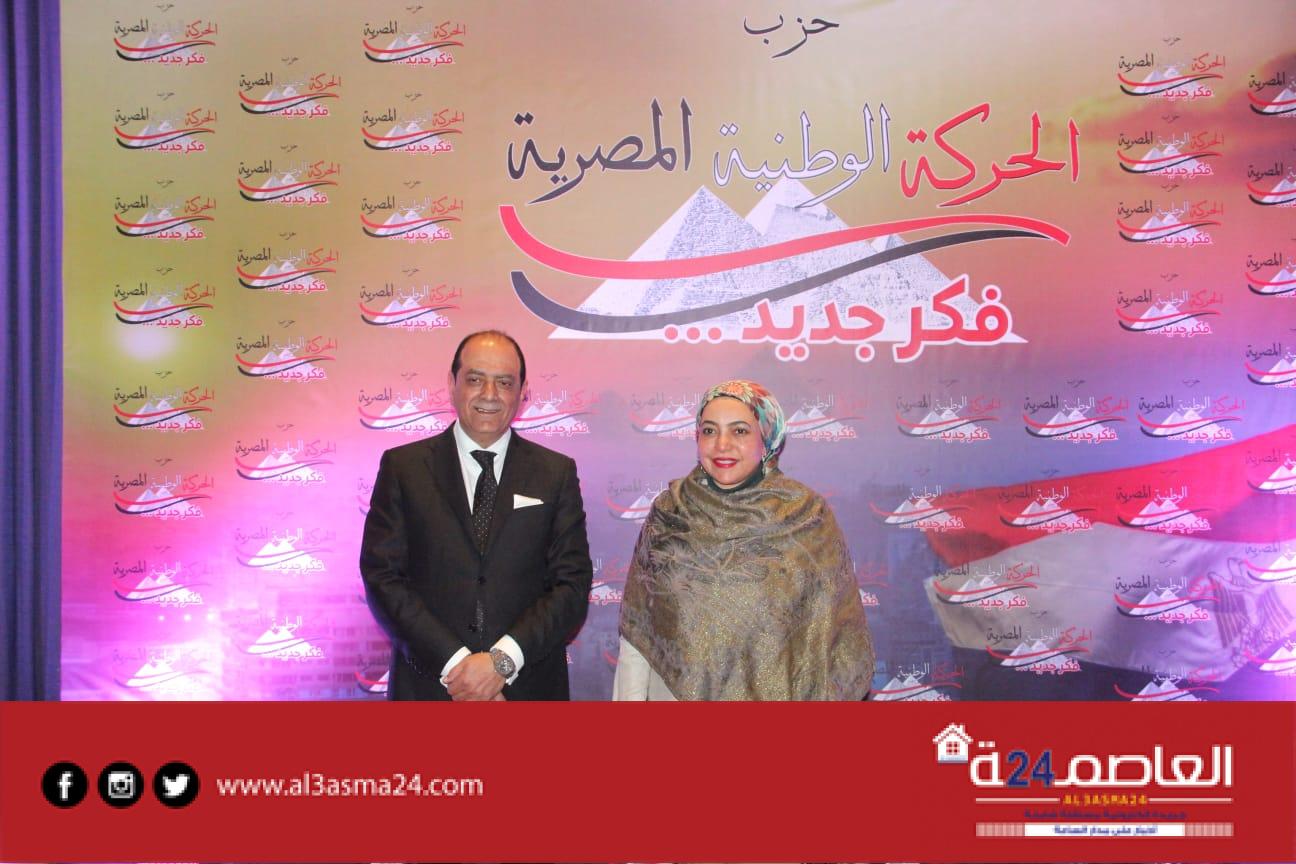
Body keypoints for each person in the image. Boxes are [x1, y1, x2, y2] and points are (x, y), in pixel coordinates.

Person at [361, 330, 593, 700]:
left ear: (523, 392)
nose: (489, 394)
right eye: (475, 379)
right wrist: (458, 668)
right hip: (429, 688)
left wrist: (501, 663)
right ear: (451, 384)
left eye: (504, 382)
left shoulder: (556, 473)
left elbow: (572, 585)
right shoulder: (404, 468)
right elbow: (383, 578)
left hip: (527, 689)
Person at [614, 379, 874, 700]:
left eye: (739, 431)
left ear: (766, 439)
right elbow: (638, 630)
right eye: (709, 431)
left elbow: (837, 636)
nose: (722, 445)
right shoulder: (670, 513)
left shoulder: (807, 518)